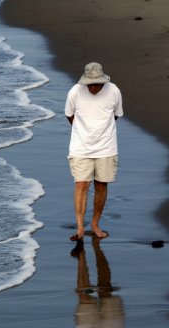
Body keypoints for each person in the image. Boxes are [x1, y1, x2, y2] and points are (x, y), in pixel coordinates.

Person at [64, 62, 124, 241]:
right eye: (90, 84)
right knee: (81, 185)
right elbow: (69, 114)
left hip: (106, 147)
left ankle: (95, 224)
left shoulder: (114, 91)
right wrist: (83, 131)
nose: (94, 87)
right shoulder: (75, 91)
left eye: (97, 83)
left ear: (103, 81)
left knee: (100, 185)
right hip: (80, 147)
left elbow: (116, 115)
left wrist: (102, 131)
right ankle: (80, 228)